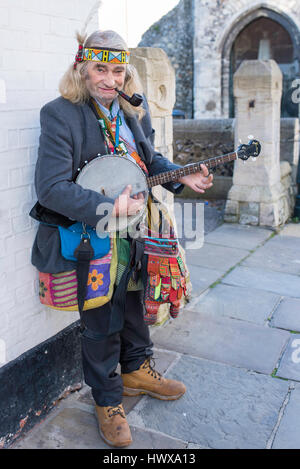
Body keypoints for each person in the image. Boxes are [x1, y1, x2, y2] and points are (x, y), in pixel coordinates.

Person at [31, 29, 213, 448]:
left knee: (135, 299)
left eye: (117, 70)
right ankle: (108, 400)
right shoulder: (60, 114)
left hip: (136, 228)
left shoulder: (132, 112)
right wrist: (109, 208)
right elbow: (51, 187)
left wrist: (180, 174)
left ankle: (137, 370)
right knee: (101, 317)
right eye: (100, 69)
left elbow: (150, 162)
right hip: (90, 235)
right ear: (82, 67)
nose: (109, 80)